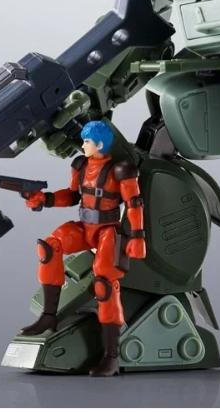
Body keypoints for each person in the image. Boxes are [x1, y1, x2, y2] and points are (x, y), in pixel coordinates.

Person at [20, 120, 146, 377]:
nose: (83, 144)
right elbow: (72, 195)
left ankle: (111, 356)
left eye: (87, 141)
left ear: (99, 144)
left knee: (104, 285)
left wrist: (137, 237)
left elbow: (134, 203)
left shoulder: (121, 170)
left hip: (107, 230)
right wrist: (45, 199)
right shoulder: (81, 165)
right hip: (85, 227)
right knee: (50, 247)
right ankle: (48, 315)